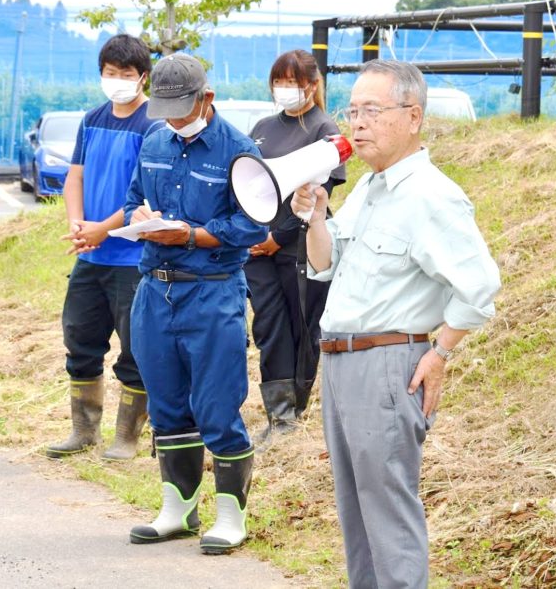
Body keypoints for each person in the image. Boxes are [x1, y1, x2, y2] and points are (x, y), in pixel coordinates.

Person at [290, 59, 501, 587]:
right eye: (352, 110)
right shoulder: (369, 188)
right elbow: (324, 264)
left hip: (386, 364)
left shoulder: (432, 195)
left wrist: (441, 352)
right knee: (356, 513)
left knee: (388, 513)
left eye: (371, 111)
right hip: (342, 363)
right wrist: (315, 215)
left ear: (413, 117)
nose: (356, 123)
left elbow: (479, 284)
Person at [123, 53, 268, 554]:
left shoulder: (239, 151)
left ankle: (232, 515)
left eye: (181, 110)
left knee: (216, 402)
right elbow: (131, 197)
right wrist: (138, 215)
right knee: (165, 401)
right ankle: (178, 508)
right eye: (164, 110)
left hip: (212, 291)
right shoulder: (154, 140)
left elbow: (253, 226)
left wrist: (188, 234)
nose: (172, 120)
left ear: (207, 99)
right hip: (154, 289)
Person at [46, 34, 164, 461]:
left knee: (135, 349)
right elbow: (73, 177)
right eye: (110, 74)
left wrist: (104, 229)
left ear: (143, 78)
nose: (116, 81)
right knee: (79, 338)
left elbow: (146, 196)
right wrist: (79, 226)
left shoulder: (153, 125)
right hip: (90, 255)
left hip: (131, 256)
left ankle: (127, 437)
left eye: (126, 75)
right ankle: (84, 431)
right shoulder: (93, 118)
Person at [244, 50, 346, 443]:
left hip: (301, 245)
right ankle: (279, 415)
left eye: (293, 82)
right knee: (269, 326)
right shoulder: (263, 127)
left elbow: (318, 193)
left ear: (312, 85)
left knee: (302, 327)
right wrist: (255, 236)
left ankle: (295, 409)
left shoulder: (324, 130)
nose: (285, 90)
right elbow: (248, 183)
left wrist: (279, 237)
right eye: (279, 82)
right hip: (258, 249)